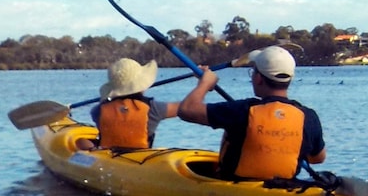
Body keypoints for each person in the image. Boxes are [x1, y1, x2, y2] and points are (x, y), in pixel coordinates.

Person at [178, 46, 326, 179]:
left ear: (259, 78)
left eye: (253, 71)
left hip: (236, 189)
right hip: (283, 190)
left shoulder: (241, 110)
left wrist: (205, 83)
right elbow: (318, 158)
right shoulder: (308, 117)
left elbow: (186, 110)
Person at [79, 58, 179, 150]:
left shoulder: (97, 111)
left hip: (110, 157)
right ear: (141, 85)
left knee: (81, 142)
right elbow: (184, 108)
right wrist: (195, 84)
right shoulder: (154, 108)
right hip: (140, 159)